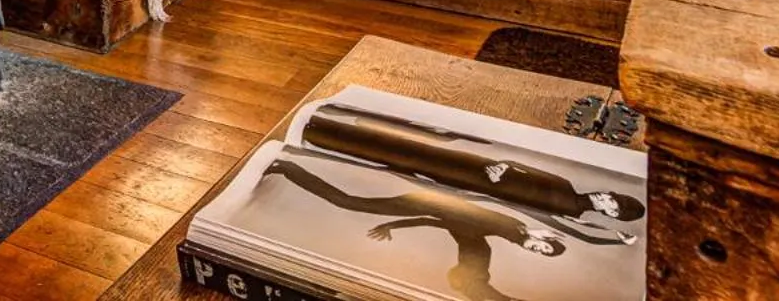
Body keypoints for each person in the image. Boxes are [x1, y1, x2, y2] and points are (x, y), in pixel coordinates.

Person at [303, 105, 645, 237]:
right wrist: (504, 166)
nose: (606, 197)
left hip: (476, 185)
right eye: (613, 196)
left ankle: (324, 134)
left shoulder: (573, 212)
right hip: (481, 168)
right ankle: (324, 127)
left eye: (612, 205)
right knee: (417, 151)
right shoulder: (568, 185)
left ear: (609, 213)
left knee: (409, 164)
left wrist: (616, 240)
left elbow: (555, 221)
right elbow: (526, 169)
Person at [263, 158, 574, 301]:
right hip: (426, 203)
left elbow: (440, 222)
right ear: (543, 238)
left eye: (541, 254)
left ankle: (287, 167)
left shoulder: (485, 238)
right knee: (348, 201)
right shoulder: (511, 228)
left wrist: (394, 225)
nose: (538, 250)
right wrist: (395, 222)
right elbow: (455, 217)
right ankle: (287, 166)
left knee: (348, 201)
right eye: (544, 246)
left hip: (429, 208)